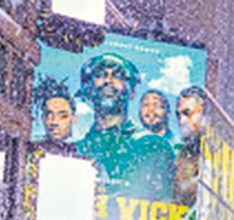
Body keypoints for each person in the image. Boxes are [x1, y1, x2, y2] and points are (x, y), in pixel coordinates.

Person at [74, 53, 175, 202]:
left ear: (132, 91)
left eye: (118, 76)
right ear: (89, 89)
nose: (108, 81)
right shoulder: (76, 150)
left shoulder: (152, 146)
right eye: (101, 75)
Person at [32, 77, 80, 155]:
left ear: (74, 119)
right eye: (49, 115)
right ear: (43, 118)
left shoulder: (82, 153)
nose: (55, 121)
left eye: (63, 116)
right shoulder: (32, 151)